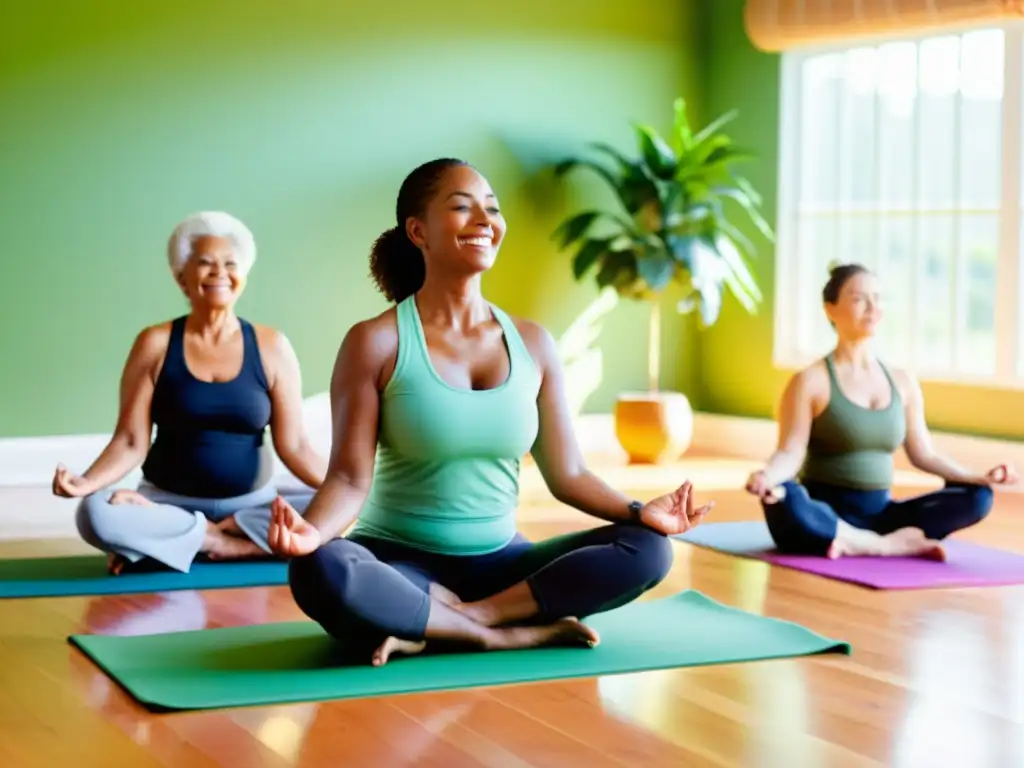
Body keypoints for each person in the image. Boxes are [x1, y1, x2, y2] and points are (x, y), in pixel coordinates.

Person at [266, 158, 714, 666]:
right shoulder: (376, 341)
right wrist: (312, 533)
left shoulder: (533, 343)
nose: (485, 220)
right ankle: (494, 633)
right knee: (319, 567)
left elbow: (568, 474)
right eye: (462, 208)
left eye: (492, 209)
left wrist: (640, 512)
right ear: (418, 231)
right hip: (399, 565)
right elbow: (348, 478)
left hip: (506, 565)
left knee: (650, 550)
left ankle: (458, 621)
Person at [53, 211, 327, 574]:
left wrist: (352, 491)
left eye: (230, 263)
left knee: (335, 510)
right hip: (165, 504)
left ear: (242, 276)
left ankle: (191, 543)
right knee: (95, 514)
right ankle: (217, 541)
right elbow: (131, 440)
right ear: (181, 277)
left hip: (250, 509)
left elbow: (295, 446)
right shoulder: (155, 343)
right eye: (205, 263)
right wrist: (85, 481)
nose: (219, 272)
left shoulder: (272, 346)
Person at [745, 262, 1017, 559]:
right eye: (859, 298)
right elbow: (790, 452)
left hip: (883, 515)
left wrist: (977, 477)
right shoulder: (811, 381)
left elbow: (924, 453)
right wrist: (768, 476)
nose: (872, 307)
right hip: (823, 512)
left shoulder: (902, 381)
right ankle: (884, 545)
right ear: (830, 309)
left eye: (878, 298)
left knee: (978, 498)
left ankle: (861, 541)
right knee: (784, 497)